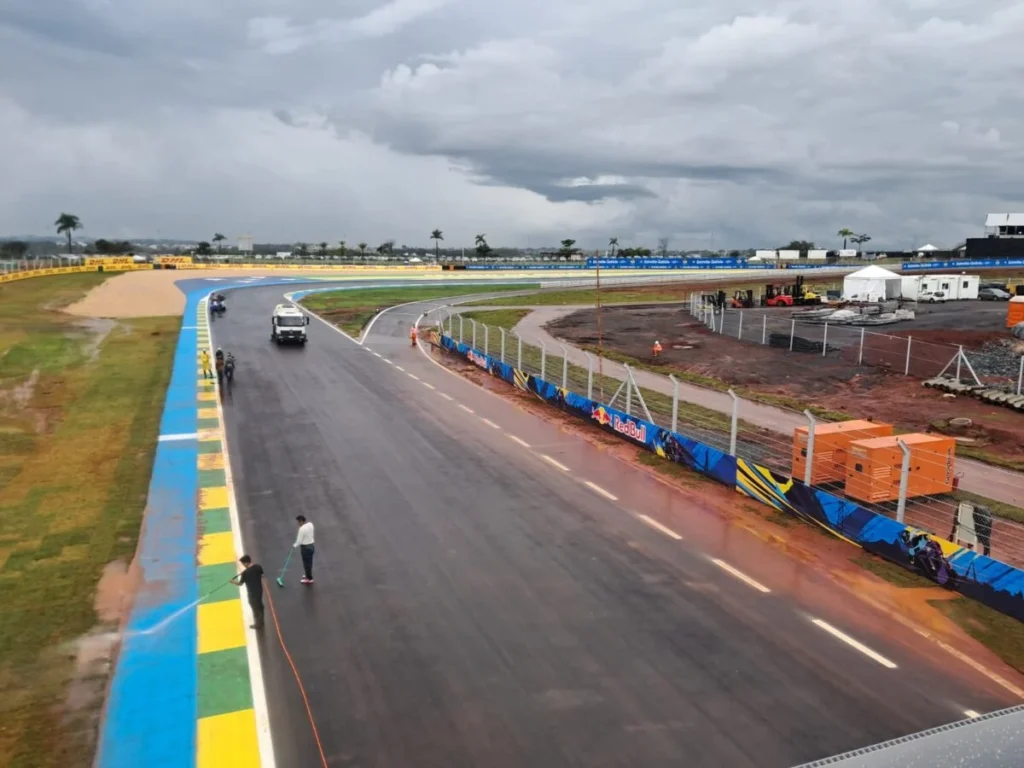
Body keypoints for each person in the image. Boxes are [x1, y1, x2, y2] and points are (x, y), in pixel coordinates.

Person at [231, 555, 265, 629]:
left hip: (252, 593)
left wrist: (232, 582)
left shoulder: (245, 573)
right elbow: (262, 575)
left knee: (255, 608)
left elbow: (240, 584)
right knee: (260, 605)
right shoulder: (258, 567)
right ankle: (262, 621)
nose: (243, 565)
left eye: (243, 564)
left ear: (246, 563)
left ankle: (258, 624)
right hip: (259, 591)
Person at [294, 515, 315, 584]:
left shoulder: (301, 529)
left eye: (298, 522)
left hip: (305, 548)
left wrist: (294, 546)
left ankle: (309, 578)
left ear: (301, 521)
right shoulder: (310, 524)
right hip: (311, 546)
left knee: (306, 564)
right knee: (309, 562)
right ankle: (307, 575)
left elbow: (299, 541)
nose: (297, 523)